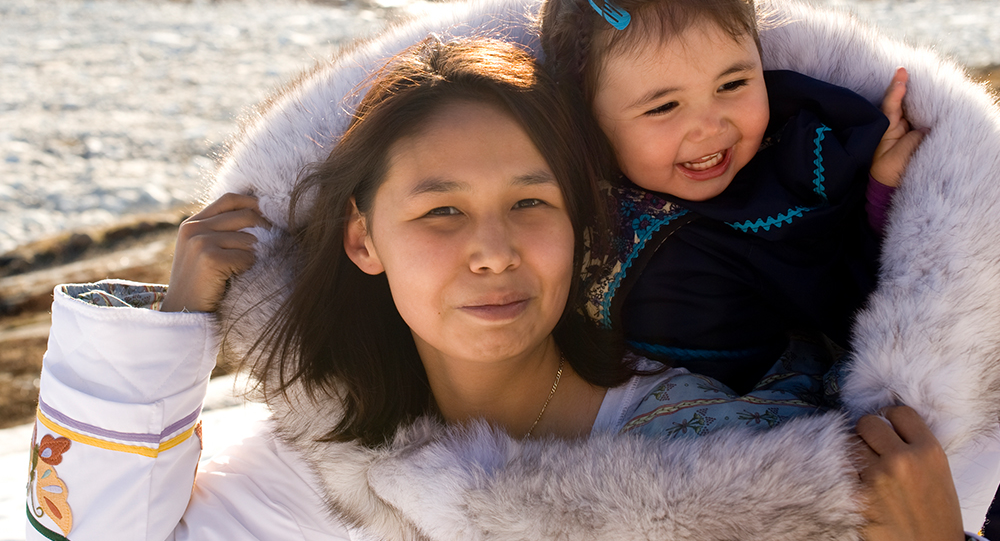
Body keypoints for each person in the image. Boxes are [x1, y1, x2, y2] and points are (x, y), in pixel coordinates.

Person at [25, 35, 977, 541]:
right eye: (440, 210)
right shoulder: (311, 465)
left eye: (531, 201)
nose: (492, 250)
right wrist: (181, 315)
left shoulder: (719, 451)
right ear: (363, 236)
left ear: (583, 226)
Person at [538, 0, 927, 393]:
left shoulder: (790, 178)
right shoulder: (545, 186)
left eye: (734, 83)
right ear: (583, 115)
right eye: (663, 106)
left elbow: (853, 302)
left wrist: (880, 188)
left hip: (764, 414)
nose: (710, 127)